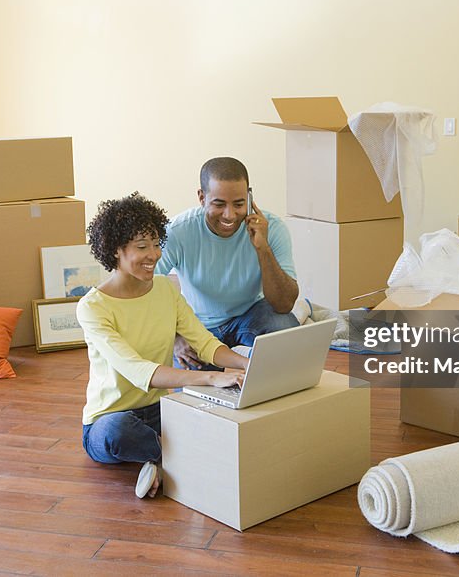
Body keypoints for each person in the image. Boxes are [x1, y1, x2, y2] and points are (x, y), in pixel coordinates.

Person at [77, 193, 248, 498]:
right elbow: (138, 370)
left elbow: (205, 343)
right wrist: (210, 376)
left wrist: (246, 364)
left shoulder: (165, 290)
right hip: (108, 420)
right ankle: (172, 454)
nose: (154, 255)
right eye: (142, 247)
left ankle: (158, 458)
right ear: (116, 250)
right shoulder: (93, 307)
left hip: (159, 410)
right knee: (117, 432)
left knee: (211, 411)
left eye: (156, 244)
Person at [155, 157, 299, 369]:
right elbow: (146, 288)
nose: (230, 215)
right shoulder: (178, 231)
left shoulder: (272, 228)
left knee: (286, 327)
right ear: (202, 197)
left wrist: (262, 248)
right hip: (198, 326)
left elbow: (284, 304)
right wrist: (175, 336)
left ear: (249, 197)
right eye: (219, 204)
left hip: (251, 315)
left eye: (239, 204)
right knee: (193, 387)